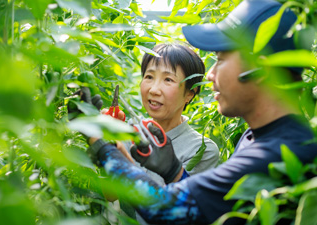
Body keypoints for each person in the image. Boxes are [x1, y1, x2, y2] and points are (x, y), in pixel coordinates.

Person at [81, 0, 317, 224]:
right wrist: (174, 172)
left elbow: (167, 210)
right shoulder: (257, 138)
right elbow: (212, 213)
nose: (211, 75)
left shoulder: (278, 153)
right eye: (149, 77)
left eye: (221, 59)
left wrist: (103, 147)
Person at [102, 43, 219, 224]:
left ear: (189, 93)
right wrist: (108, 146)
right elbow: (111, 197)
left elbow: (176, 214)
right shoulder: (126, 132)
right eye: (149, 76)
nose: (154, 89)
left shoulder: (201, 150)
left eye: (168, 80)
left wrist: (121, 159)